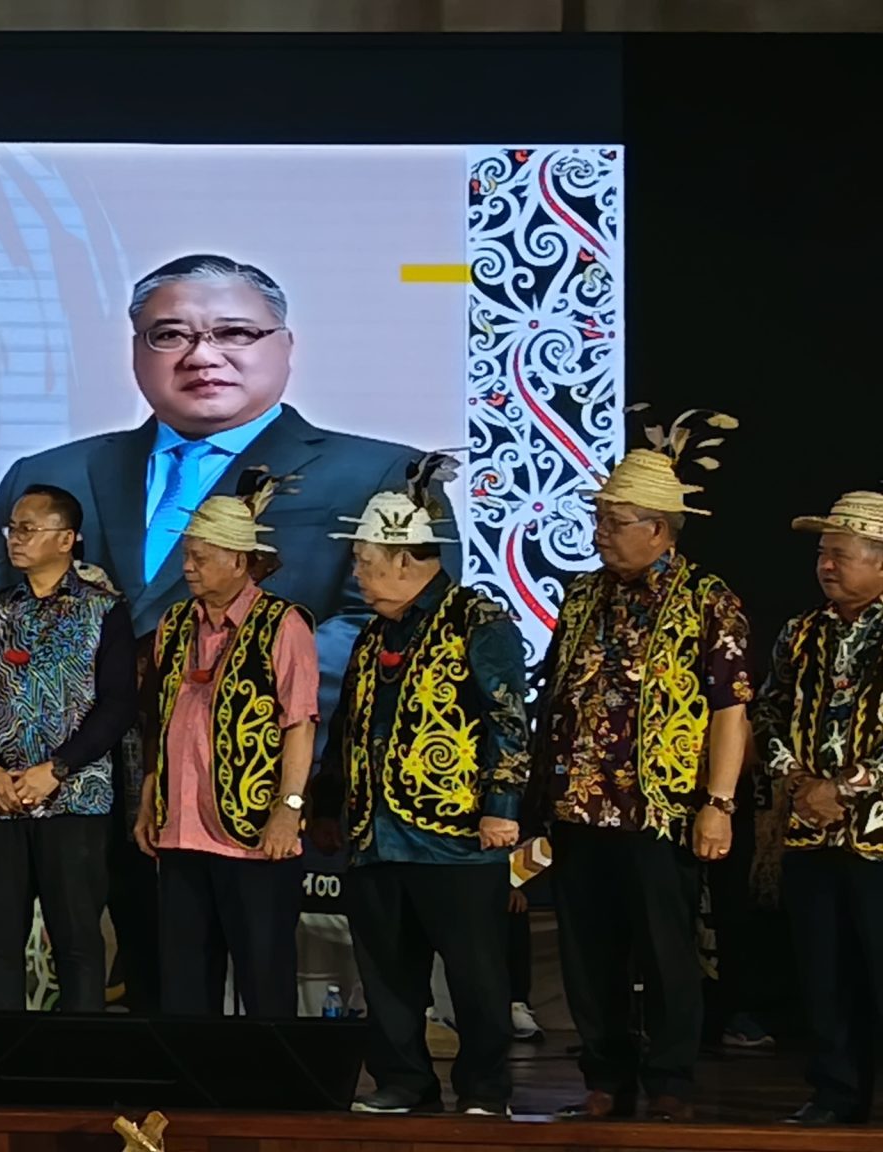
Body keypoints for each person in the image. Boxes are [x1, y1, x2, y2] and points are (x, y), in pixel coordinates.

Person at [0, 255, 426, 1016]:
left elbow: (386, 622)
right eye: (170, 335)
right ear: (136, 350)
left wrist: (236, 683)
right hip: (79, 776)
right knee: (123, 966)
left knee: (251, 964)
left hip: (252, 773)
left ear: (285, 345)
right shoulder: (53, 471)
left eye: (234, 332)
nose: (203, 355)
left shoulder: (378, 473)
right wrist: (79, 703)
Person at [526, 410, 752, 1123]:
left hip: (658, 808)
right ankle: (604, 1074)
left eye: (614, 521)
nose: (600, 531)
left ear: (659, 530)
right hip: (579, 805)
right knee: (588, 952)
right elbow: (556, 692)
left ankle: (671, 1079)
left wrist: (718, 803)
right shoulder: (583, 594)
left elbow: (730, 708)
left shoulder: (707, 600)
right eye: (599, 517)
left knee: (665, 952)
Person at [315, 459, 530, 1117]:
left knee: (474, 971)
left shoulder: (476, 620)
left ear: (407, 561)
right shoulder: (374, 633)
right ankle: (404, 1080)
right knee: (386, 972)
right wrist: (328, 805)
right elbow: (348, 724)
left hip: (455, 834)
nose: (357, 574)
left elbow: (507, 719)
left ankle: (485, 1088)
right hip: (377, 834)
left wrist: (501, 808)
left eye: (365, 561)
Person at [135, 469, 317, 1019]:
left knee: (263, 980)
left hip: (253, 835)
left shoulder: (283, 625)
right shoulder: (173, 624)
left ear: (239, 560)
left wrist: (288, 809)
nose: (187, 566)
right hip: (181, 833)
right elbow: (158, 721)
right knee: (184, 986)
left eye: (200, 556)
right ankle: (195, 1075)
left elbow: (299, 724)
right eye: (187, 555)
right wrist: (150, 797)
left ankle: (269, 1077)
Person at [0, 484, 135, 1014]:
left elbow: (118, 705)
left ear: (66, 538)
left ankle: (75, 1058)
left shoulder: (103, 610)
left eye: (28, 528)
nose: (16, 538)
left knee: (77, 943)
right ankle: (3, 1057)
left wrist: (57, 768)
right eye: (13, 528)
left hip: (74, 801)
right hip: (1, 801)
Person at [756, 486, 883, 1127]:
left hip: (877, 835)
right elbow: (768, 710)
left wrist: (847, 787)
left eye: (841, 554)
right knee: (824, 971)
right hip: (810, 828)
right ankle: (836, 1092)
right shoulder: (801, 633)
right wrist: (799, 781)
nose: (826, 566)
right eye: (821, 555)